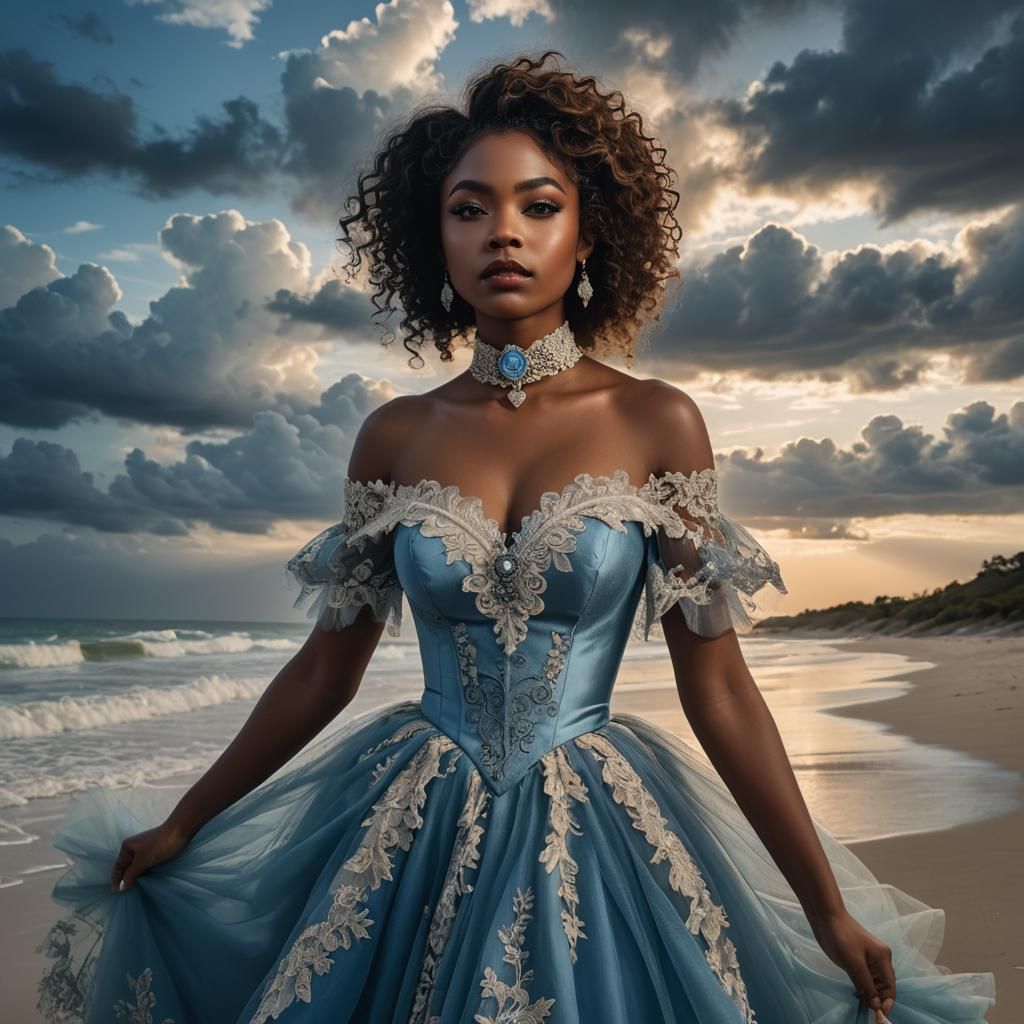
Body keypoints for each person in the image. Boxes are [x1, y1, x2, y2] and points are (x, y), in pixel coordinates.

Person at [38, 51, 997, 1024]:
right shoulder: (394, 436)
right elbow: (325, 669)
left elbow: (718, 686)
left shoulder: (656, 422)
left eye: (538, 206)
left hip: (597, 826)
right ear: (437, 239)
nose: (503, 231)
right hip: (412, 824)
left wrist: (823, 908)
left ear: (588, 234)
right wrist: (186, 820)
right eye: (469, 208)